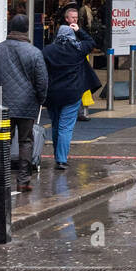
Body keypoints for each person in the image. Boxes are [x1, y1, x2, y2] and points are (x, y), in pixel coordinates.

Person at [0, 14, 49, 192]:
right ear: (26, 29)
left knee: (2, 141)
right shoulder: (34, 52)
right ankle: (23, 179)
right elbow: (41, 81)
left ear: (10, 27)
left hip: (1, 103)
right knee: (26, 141)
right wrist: (40, 99)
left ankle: (0, 177)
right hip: (27, 104)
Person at [41, 22, 98, 170]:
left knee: (55, 125)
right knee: (65, 127)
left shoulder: (48, 51)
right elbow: (91, 42)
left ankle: (57, 155)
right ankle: (61, 159)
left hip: (52, 94)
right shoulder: (77, 50)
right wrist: (79, 30)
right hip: (72, 94)